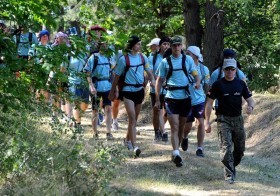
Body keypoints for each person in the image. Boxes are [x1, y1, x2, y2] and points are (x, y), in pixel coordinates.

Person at [204, 58, 255, 184]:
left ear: (235, 70)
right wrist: (206, 122)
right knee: (226, 148)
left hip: (238, 119)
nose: (230, 71)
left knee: (240, 149)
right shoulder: (218, 84)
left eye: (232, 69)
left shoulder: (241, 84)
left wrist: (250, 106)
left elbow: (250, 99)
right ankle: (229, 174)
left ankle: (231, 165)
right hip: (223, 119)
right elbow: (209, 104)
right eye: (227, 69)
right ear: (223, 70)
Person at [155, 36, 200, 167]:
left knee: (181, 127)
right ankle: (176, 153)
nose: (176, 48)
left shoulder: (188, 60)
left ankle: (176, 151)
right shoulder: (165, 62)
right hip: (171, 97)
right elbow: (159, 81)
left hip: (185, 98)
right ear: (171, 47)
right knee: (174, 127)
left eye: (178, 45)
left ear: (181, 46)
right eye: (173, 46)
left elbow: (195, 74)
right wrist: (158, 99)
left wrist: (197, 82)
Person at [108, 35, 155, 157]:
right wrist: (112, 91)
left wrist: (153, 81)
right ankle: (135, 146)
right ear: (132, 45)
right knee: (132, 118)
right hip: (127, 91)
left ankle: (127, 140)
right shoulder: (124, 60)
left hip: (140, 90)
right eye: (138, 44)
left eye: (140, 44)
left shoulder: (143, 57)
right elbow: (116, 77)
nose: (140, 46)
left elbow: (149, 72)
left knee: (134, 119)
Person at [182, 46, 210, 157]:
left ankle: (199, 148)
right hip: (186, 99)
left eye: (188, 53)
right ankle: (184, 137)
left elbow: (207, 85)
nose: (186, 55)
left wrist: (208, 100)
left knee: (200, 123)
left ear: (195, 55)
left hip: (200, 100)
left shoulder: (204, 69)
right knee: (187, 126)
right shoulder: (183, 67)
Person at [84, 41, 114, 140]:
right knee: (95, 110)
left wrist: (115, 87)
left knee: (108, 109)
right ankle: (95, 132)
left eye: (106, 45)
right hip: (96, 86)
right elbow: (88, 72)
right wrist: (91, 86)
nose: (104, 46)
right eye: (102, 45)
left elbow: (112, 72)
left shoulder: (110, 57)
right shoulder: (94, 57)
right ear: (99, 46)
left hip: (107, 86)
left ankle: (108, 132)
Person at [148, 36, 170, 142]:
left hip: (169, 89)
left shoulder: (171, 58)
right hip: (156, 89)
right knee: (157, 110)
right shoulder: (153, 57)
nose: (166, 46)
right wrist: (155, 81)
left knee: (166, 112)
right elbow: (150, 72)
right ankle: (158, 132)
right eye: (164, 44)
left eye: (168, 44)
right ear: (160, 46)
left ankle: (162, 129)